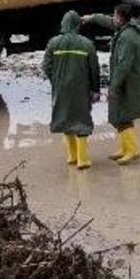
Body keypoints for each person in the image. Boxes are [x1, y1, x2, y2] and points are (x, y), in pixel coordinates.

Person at [83, 4, 140, 164]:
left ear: (122, 18)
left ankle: (131, 150)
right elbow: (109, 22)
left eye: (115, 15)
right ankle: (127, 147)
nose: (113, 18)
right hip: (127, 80)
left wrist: (114, 86)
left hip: (127, 82)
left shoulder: (127, 38)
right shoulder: (127, 29)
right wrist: (93, 18)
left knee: (122, 116)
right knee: (122, 115)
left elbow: (124, 64)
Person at [42, 10, 100, 170]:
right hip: (81, 88)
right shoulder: (87, 44)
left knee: (65, 117)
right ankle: (82, 160)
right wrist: (95, 90)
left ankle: (72, 156)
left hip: (61, 89)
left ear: (63, 24)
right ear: (77, 25)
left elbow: (46, 66)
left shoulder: (53, 42)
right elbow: (94, 69)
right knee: (81, 120)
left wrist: (56, 80)